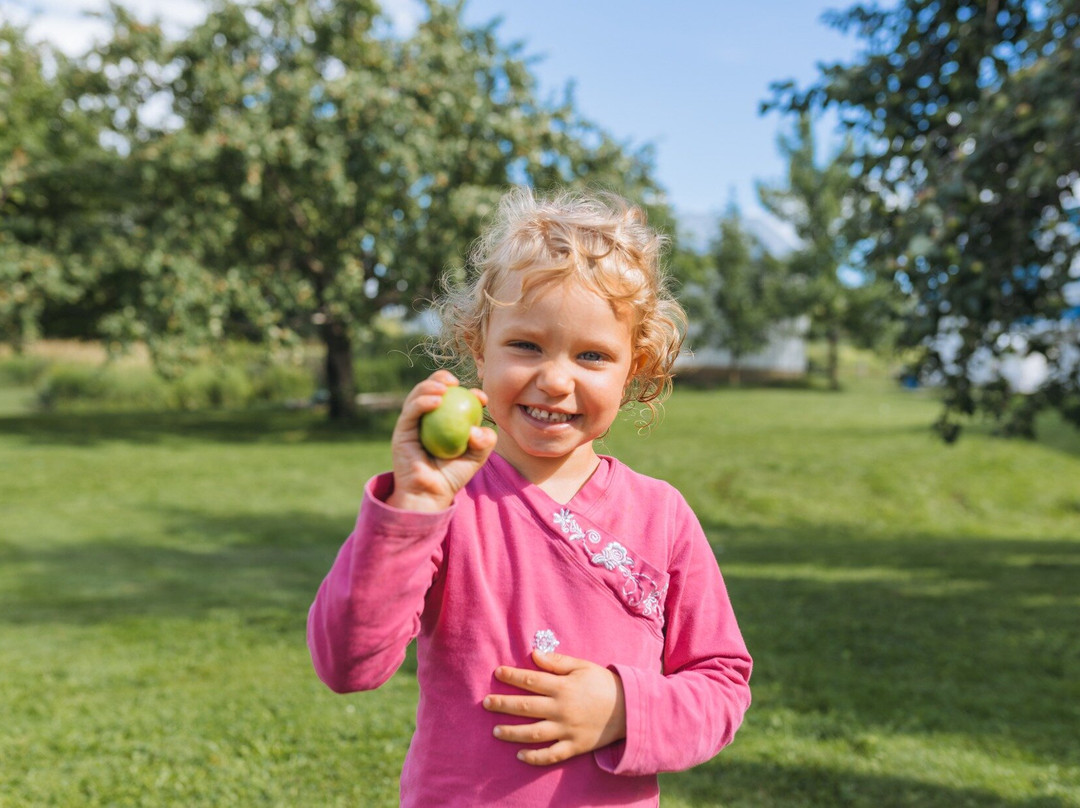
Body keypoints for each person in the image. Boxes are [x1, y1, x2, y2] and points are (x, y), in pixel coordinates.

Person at [307, 187, 752, 807]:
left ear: (635, 367)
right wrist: (411, 509)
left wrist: (627, 707)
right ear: (476, 346)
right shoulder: (447, 505)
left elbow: (721, 682)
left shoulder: (663, 517)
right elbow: (347, 663)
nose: (555, 378)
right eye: (525, 345)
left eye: (592, 355)